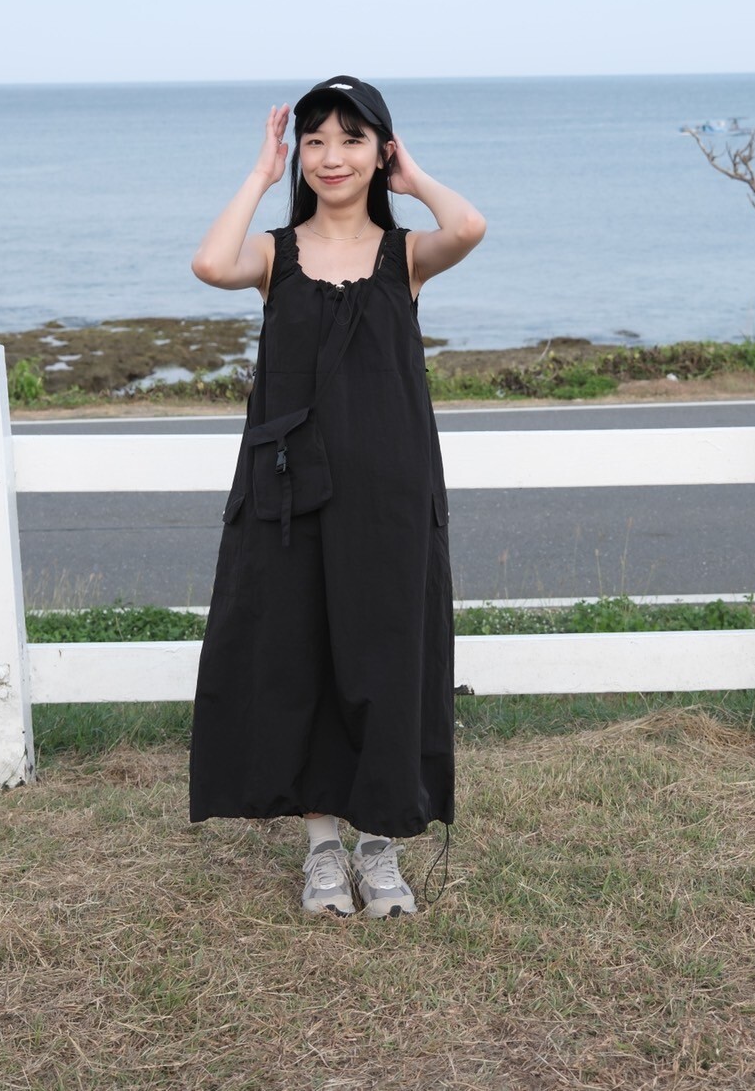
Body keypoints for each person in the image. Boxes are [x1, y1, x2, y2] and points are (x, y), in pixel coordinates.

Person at [188, 75, 486, 918]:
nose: (331, 157)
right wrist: (260, 172)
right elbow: (210, 262)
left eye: (351, 140)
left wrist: (412, 177)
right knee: (299, 661)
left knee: (388, 663)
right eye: (315, 140)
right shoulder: (275, 256)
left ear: (379, 151)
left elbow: (469, 225)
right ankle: (323, 851)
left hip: (391, 498)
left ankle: (379, 849)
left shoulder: (406, 257)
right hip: (290, 499)